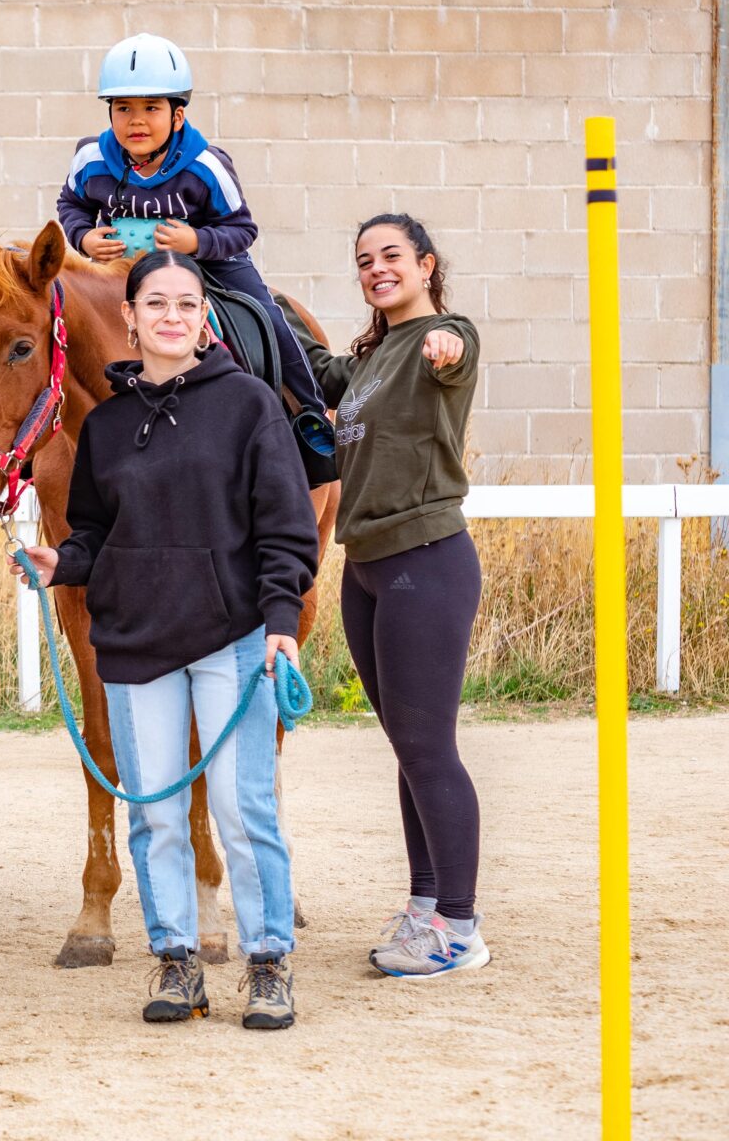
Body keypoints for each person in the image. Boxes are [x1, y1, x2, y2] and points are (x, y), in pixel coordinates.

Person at [15, 250, 318, 1030]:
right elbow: (96, 533)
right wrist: (62, 563)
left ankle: (268, 962)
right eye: (157, 304)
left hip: (232, 639)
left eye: (187, 304)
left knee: (243, 810)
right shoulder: (110, 427)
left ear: (204, 318)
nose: (173, 316)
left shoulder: (250, 406)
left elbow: (286, 530)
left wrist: (281, 623)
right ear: (131, 318)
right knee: (155, 814)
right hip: (138, 645)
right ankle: (176, 959)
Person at [281, 215, 487, 979]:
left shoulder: (442, 336)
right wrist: (245, 287)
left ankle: (459, 927)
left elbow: (454, 352)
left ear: (426, 264)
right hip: (366, 564)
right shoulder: (368, 359)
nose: (376, 269)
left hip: (424, 559)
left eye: (391, 256)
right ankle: (426, 906)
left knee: (430, 748)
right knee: (407, 748)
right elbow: (313, 369)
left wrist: (446, 345)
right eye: (364, 260)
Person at [57, 32, 334, 473]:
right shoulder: (89, 158)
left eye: (152, 108)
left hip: (212, 265)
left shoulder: (206, 165)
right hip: (124, 270)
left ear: (178, 114)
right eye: (123, 108)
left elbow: (242, 228)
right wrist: (84, 239)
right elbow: (71, 205)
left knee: (270, 316)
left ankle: (310, 414)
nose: (137, 121)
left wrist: (197, 242)